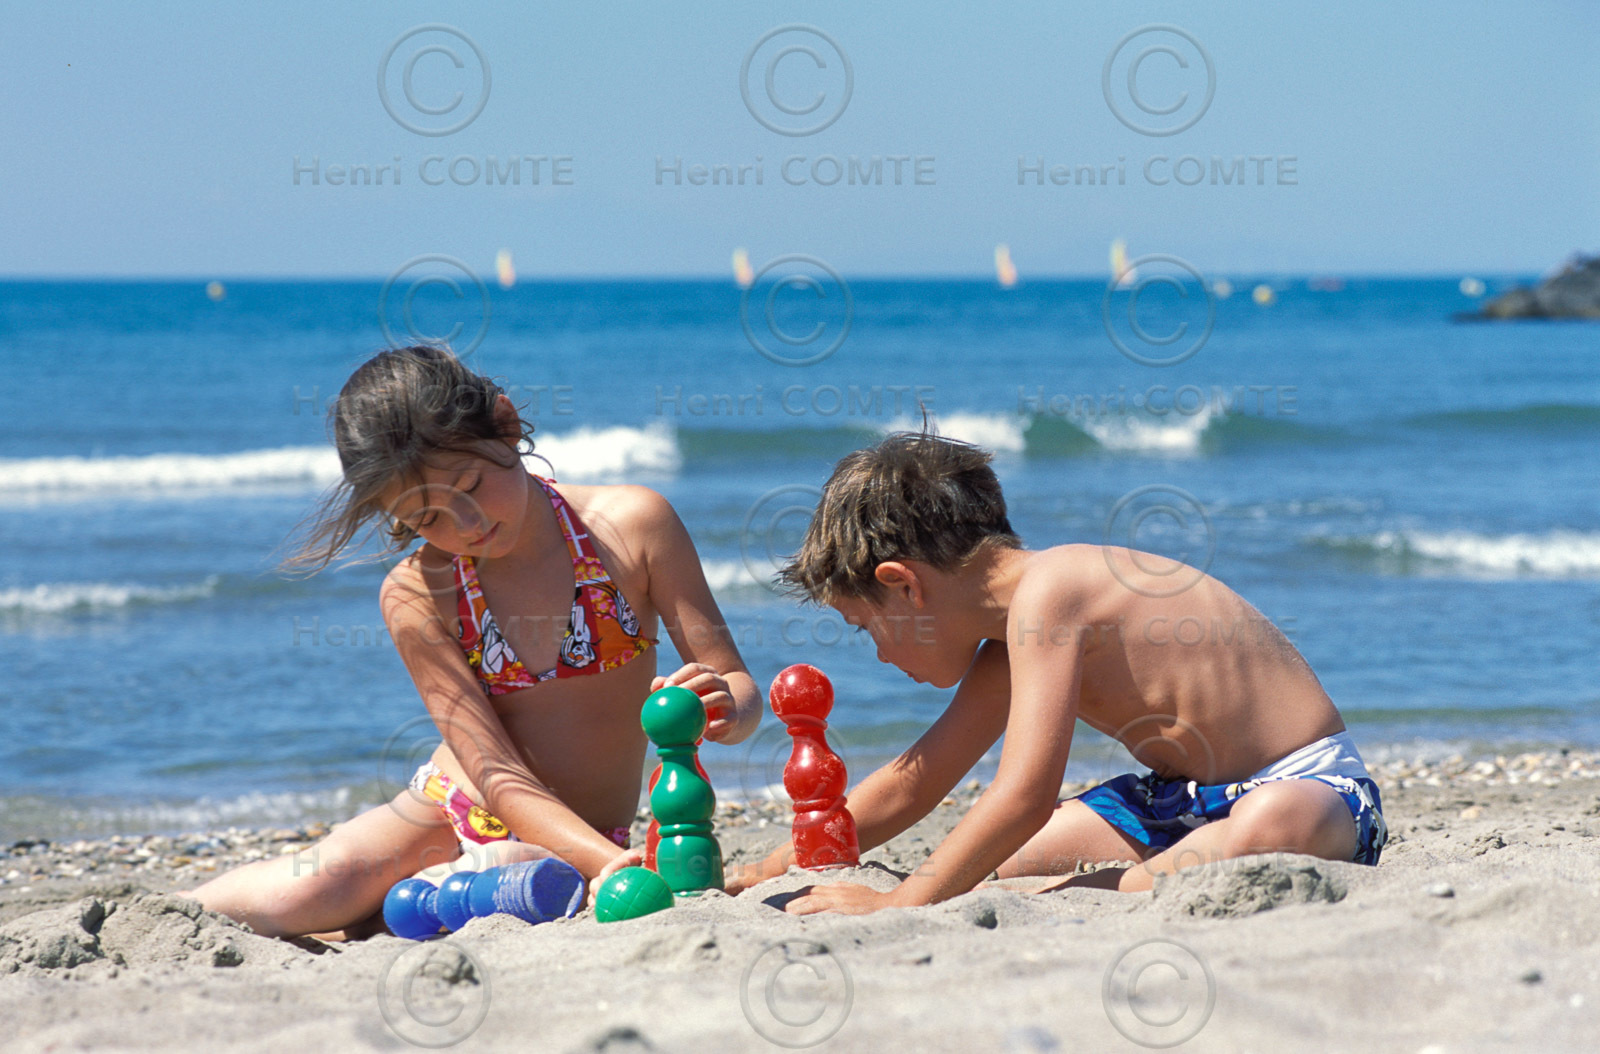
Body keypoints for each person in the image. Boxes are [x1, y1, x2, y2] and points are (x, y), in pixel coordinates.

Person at [185, 346, 760, 939]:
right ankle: (178, 904)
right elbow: (494, 771)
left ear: (506, 427)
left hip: (589, 841)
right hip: (459, 809)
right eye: (428, 518)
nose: (466, 525)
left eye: (471, 486)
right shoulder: (417, 593)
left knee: (469, 893)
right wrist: (609, 865)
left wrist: (722, 707)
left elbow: (739, 686)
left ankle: (412, 904)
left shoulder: (634, 527)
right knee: (300, 895)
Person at [726, 430, 1386, 914]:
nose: (879, 653)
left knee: (1271, 827)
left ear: (903, 585)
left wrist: (904, 903)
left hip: (1309, 786)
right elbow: (913, 782)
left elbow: (1023, 795)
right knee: (990, 863)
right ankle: (1120, 879)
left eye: (865, 628)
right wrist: (778, 862)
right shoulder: (1010, 636)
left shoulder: (1053, 593)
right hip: (1169, 802)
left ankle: (1100, 890)